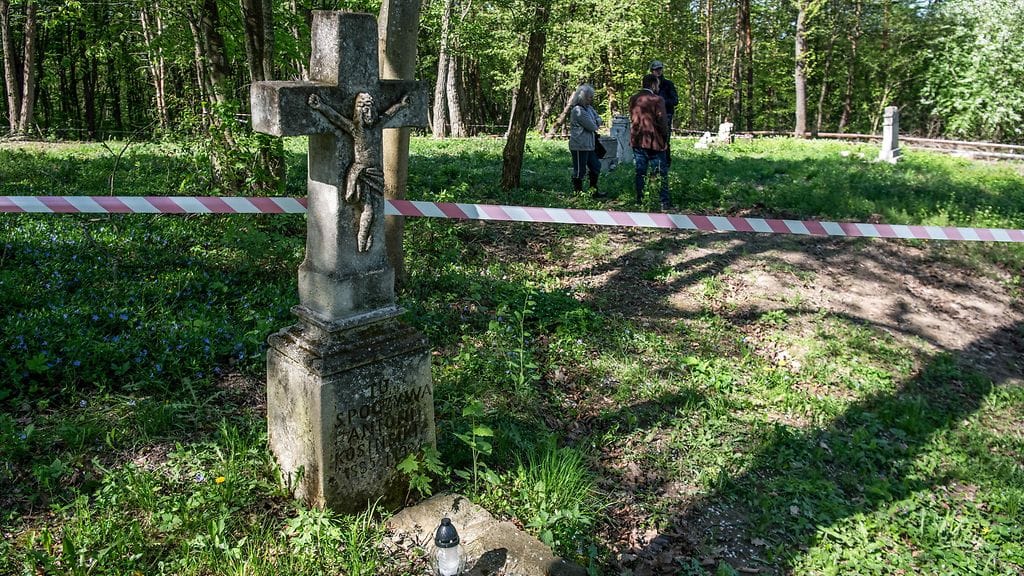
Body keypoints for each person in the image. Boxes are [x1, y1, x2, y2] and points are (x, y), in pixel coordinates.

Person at [629, 74, 672, 211]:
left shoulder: (634, 99)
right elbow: (662, 121)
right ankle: (663, 201)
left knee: (640, 171)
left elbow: (632, 117)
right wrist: (665, 138)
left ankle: (640, 199)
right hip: (655, 141)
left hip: (637, 140)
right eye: (657, 85)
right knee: (660, 172)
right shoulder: (657, 100)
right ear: (653, 85)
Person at [568, 84, 604, 198]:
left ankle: (593, 191)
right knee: (580, 170)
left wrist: (595, 121)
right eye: (589, 97)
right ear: (583, 97)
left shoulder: (589, 108)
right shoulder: (577, 110)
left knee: (596, 166)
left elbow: (599, 119)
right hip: (579, 145)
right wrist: (595, 121)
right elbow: (593, 126)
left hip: (590, 145)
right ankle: (577, 193)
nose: (591, 99)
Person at [649, 60, 678, 166]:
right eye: (656, 69)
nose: (658, 71)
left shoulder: (668, 84)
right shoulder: (649, 84)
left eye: (660, 69)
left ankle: (666, 164)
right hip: (651, 116)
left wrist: (661, 102)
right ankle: (654, 164)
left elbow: (675, 101)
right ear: (652, 71)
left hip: (666, 115)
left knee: (664, 139)